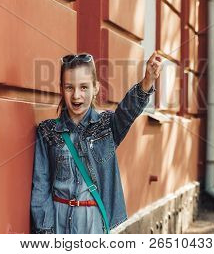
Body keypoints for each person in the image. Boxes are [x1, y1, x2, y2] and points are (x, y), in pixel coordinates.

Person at [30, 51, 162, 234]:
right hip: (58, 221)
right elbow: (41, 185)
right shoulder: (47, 131)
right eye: (69, 87)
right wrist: (45, 230)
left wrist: (147, 81)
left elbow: (127, 111)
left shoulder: (106, 126)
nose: (76, 95)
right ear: (61, 88)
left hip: (92, 222)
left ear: (96, 88)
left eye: (84, 87)